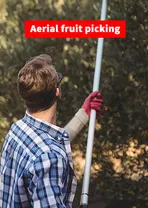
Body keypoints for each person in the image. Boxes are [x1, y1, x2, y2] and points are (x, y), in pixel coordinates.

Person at [0, 54, 103, 207]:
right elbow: (47, 151)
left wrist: (84, 113)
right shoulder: (48, 157)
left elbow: (51, 141)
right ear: (57, 91)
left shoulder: (17, 130)